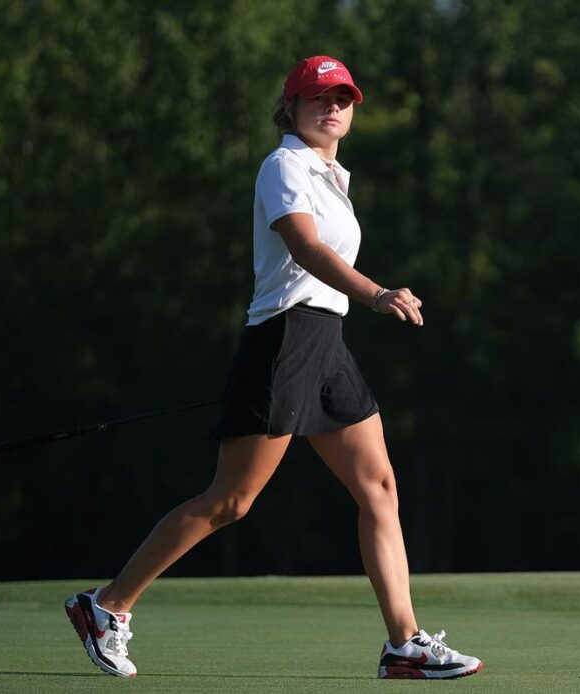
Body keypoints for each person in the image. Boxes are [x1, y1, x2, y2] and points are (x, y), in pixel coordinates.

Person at [64, 55, 482, 681]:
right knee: (232, 500)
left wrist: (357, 302)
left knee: (380, 487)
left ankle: (404, 643)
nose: (333, 107)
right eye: (319, 98)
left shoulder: (331, 174)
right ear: (291, 107)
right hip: (286, 336)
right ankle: (106, 605)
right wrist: (377, 293)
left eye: (343, 98)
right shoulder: (282, 165)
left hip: (326, 341)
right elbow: (304, 247)